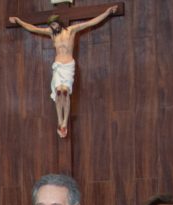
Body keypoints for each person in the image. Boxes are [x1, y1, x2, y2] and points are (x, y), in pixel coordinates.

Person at [9, 6, 118, 138]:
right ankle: (59, 121)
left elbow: (91, 22)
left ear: (59, 23)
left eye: (55, 24)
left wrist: (106, 13)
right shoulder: (51, 33)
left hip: (68, 66)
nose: (54, 27)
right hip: (58, 66)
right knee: (58, 92)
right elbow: (33, 28)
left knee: (64, 93)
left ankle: (64, 121)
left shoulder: (71, 31)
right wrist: (19, 21)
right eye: (51, 25)